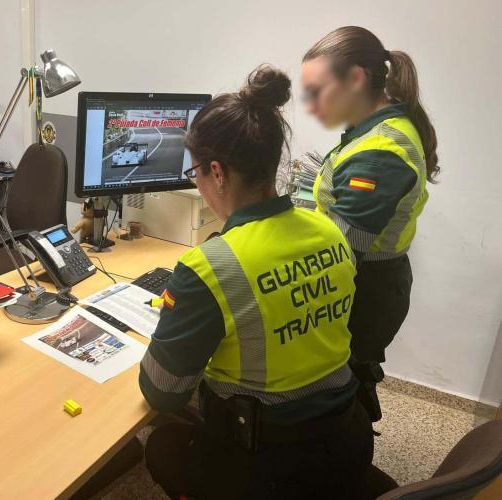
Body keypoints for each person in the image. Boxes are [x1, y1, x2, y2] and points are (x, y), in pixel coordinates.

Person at [139, 65, 373, 500]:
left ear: (217, 172)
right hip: (347, 438)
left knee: (162, 444)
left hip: (271, 465)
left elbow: (164, 392)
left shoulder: (210, 266)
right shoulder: (328, 230)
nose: (198, 184)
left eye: (195, 174)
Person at [301, 26, 437, 371]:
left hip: (363, 290)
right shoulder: (377, 130)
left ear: (356, 79)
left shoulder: (379, 153)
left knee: (340, 380)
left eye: (317, 90)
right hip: (375, 281)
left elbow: (342, 253)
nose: (310, 104)